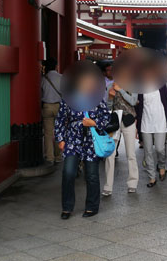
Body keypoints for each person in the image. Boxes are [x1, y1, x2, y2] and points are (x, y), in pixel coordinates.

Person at [55, 65, 110, 219]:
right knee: (68, 172)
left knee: (91, 174)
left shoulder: (96, 98)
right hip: (73, 138)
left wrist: (94, 123)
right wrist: (60, 138)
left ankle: (92, 206)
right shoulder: (68, 97)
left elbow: (106, 117)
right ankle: (67, 207)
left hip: (91, 140)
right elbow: (60, 118)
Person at [102, 79, 139, 195]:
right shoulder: (110, 86)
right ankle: (108, 186)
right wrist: (110, 98)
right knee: (110, 154)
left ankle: (132, 183)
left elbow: (133, 101)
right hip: (114, 122)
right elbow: (107, 107)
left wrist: (121, 90)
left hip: (129, 121)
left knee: (131, 154)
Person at [137, 82, 167, 187]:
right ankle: (152, 177)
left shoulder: (161, 85)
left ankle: (161, 166)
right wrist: (137, 126)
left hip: (161, 121)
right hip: (145, 122)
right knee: (148, 151)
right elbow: (138, 107)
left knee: (160, 148)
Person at [41, 58, 63, 164]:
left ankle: (50, 157)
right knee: (59, 132)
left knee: (48, 133)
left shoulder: (43, 79)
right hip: (59, 107)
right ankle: (58, 156)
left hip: (47, 107)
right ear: (56, 66)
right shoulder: (62, 78)